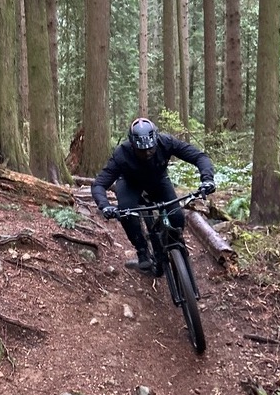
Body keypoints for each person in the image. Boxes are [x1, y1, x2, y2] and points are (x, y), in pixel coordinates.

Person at [91, 117, 215, 276]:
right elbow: (99, 184)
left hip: (158, 181)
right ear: (132, 144)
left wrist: (207, 180)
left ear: (156, 140)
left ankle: (175, 242)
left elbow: (199, 157)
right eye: (141, 151)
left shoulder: (166, 142)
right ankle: (142, 250)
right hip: (130, 184)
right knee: (126, 212)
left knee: (177, 216)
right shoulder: (122, 153)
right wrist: (105, 205)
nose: (147, 153)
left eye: (150, 149)